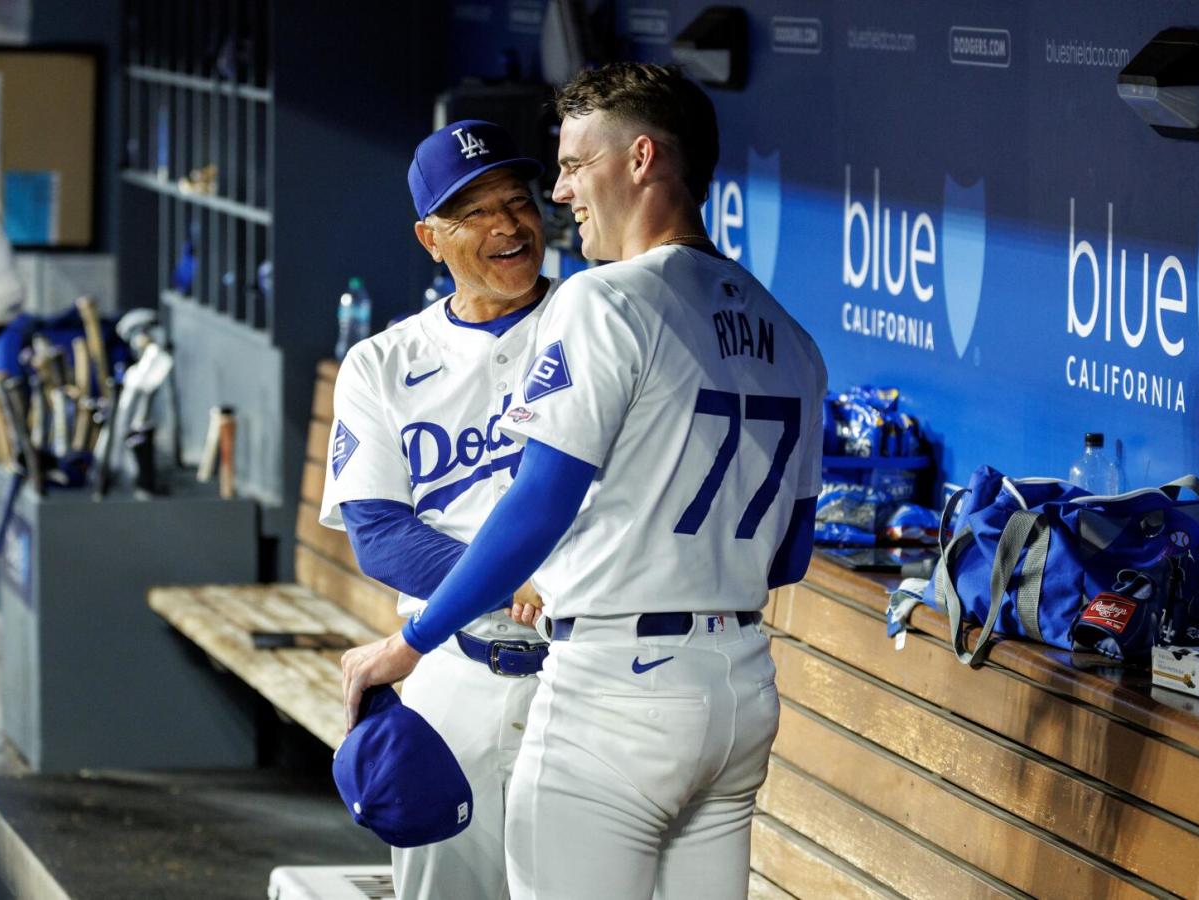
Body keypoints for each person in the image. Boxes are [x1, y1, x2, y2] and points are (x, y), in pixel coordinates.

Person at [340, 63, 827, 899]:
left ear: (640, 159)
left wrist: (410, 642)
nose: (559, 194)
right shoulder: (791, 334)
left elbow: (538, 503)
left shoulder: (603, 301)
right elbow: (789, 558)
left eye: (569, 168)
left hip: (617, 689)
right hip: (740, 685)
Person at [320, 119, 558, 900]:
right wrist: (506, 580)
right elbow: (380, 536)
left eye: (517, 201)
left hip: (577, 673)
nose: (507, 226)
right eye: (476, 212)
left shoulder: (595, 326)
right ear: (430, 238)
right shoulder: (383, 362)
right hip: (451, 675)